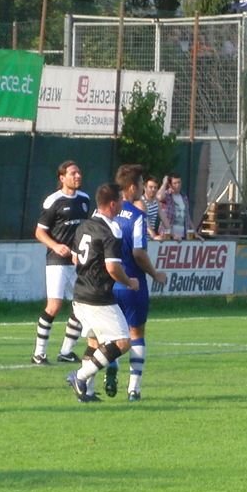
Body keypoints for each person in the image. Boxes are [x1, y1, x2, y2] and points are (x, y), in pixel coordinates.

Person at [66, 183, 141, 403]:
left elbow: (75, 258)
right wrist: (129, 282)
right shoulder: (111, 229)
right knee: (122, 342)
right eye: (121, 201)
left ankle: (87, 393)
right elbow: (112, 268)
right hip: (98, 297)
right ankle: (79, 377)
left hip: (80, 293)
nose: (122, 204)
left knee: (94, 344)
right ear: (113, 204)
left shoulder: (84, 225)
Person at [108, 164, 168, 400]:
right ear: (132, 187)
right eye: (142, 184)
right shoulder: (137, 216)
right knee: (136, 333)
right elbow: (138, 253)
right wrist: (155, 274)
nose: (143, 189)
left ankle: (111, 364)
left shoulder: (104, 212)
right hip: (132, 283)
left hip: (108, 283)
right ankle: (134, 388)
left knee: (108, 333)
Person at [32, 160, 91, 364]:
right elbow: (39, 232)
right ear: (62, 178)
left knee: (82, 306)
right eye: (73, 173)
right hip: (57, 261)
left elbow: (84, 230)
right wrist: (56, 246)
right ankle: (39, 353)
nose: (78, 176)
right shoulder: (53, 200)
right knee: (54, 306)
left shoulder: (84, 199)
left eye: (79, 172)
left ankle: (66, 351)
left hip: (77, 261)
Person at [158, 173, 196, 241]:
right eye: (175, 183)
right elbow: (159, 197)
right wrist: (164, 183)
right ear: (170, 185)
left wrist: (195, 232)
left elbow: (187, 217)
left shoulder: (184, 197)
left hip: (183, 235)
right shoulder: (167, 195)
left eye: (179, 182)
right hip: (168, 235)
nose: (177, 185)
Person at [141, 173, 164, 242]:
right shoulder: (141, 201)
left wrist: (172, 234)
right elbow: (145, 221)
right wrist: (154, 236)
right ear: (145, 188)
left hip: (150, 240)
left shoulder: (156, 202)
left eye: (155, 187)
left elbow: (164, 218)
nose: (153, 189)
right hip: (141, 240)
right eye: (150, 187)